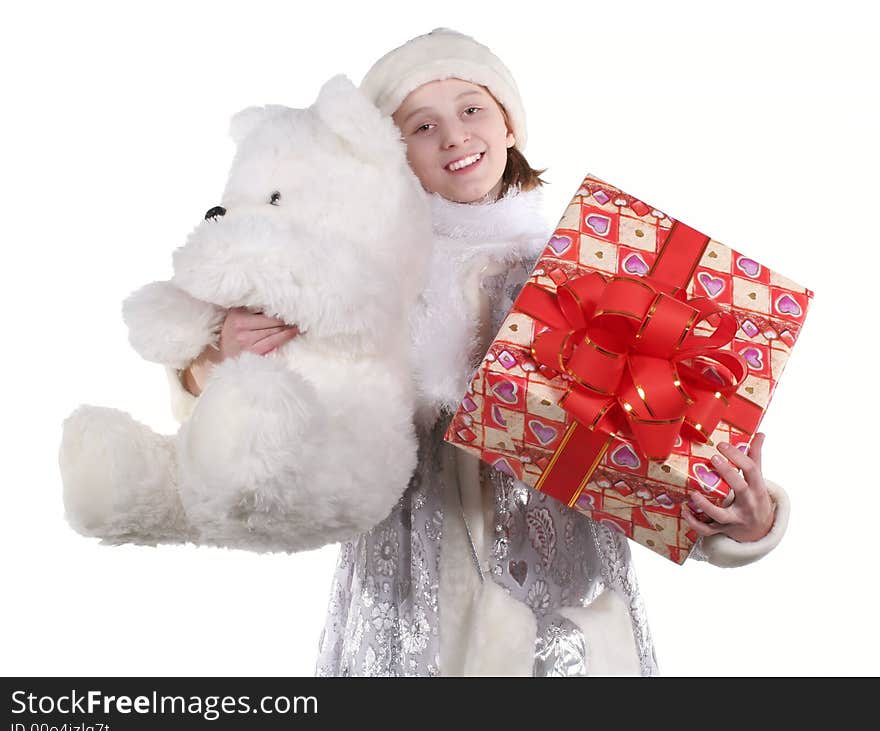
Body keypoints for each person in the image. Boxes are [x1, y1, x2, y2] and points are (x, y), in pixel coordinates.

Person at [173, 28, 791, 676]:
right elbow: (258, 429)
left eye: (472, 108)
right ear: (392, 155)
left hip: (567, 626)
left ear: (509, 124)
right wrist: (221, 358)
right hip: (409, 617)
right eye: (422, 125)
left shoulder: (601, 272)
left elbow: (663, 452)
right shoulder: (357, 284)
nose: (455, 136)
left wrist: (747, 517)